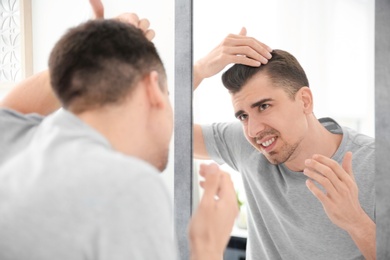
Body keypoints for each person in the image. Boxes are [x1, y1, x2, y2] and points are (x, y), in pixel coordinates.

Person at [0, 2, 239, 260]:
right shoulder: (129, 186)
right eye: (168, 95)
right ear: (153, 89)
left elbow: (13, 108)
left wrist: (90, 53)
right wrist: (208, 247)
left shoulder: (14, 146)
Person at [193, 28, 375, 260]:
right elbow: (154, 130)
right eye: (242, 116)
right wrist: (199, 69)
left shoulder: (375, 164)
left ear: (305, 101)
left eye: (264, 106)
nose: (253, 130)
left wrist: (356, 222)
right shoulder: (245, 143)